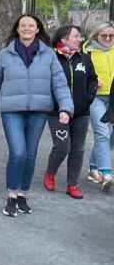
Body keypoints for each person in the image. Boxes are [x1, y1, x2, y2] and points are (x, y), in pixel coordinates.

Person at [0, 14, 73, 217]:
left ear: (37, 29)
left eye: (31, 25)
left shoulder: (49, 55)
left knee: (30, 155)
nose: (27, 28)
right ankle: (11, 195)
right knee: (18, 153)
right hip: (12, 111)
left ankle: (22, 194)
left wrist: (65, 108)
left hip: (38, 111)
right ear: (17, 29)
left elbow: (60, 84)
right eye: (23, 25)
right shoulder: (5, 54)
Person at [42, 25, 97, 199]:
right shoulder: (51, 58)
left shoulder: (84, 58)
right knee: (62, 146)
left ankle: (72, 184)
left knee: (78, 149)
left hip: (81, 113)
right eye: (76, 36)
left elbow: (93, 79)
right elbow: (44, 82)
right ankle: (50, 173)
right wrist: (52, 103)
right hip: (56, 112)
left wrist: (88, 98)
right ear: (64, 39)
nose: (80, 39)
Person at [83, 22, 114, 192]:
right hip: (96, 98)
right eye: (104, 35)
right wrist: (94, 82)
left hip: (113, 98)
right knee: (102, 133)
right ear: (96, 35)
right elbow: (82, 75)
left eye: (111, 35)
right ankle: (107, 174)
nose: (108, 38)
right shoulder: (87, 52)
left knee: (108, 134)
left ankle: (93, 168)